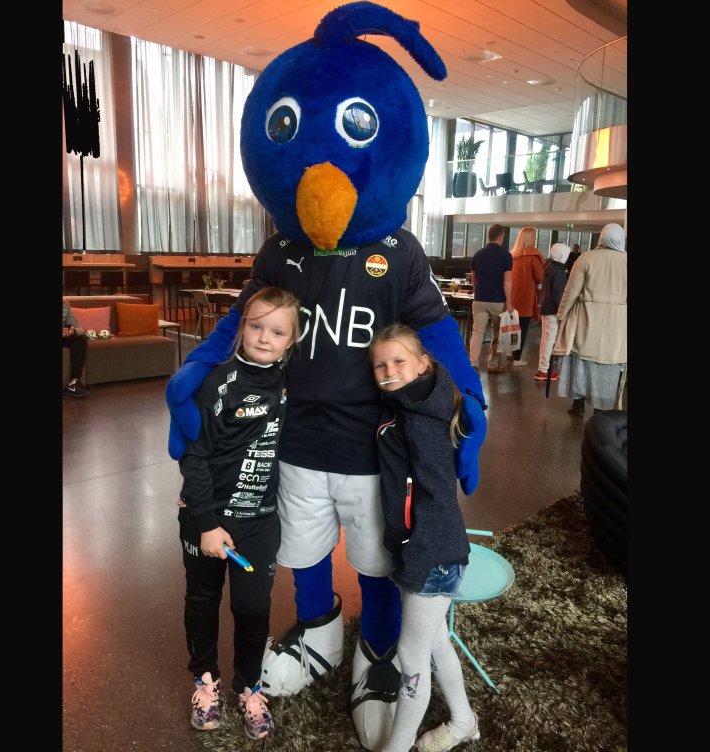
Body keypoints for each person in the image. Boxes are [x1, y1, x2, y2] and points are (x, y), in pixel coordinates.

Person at [165, 7, 488, 750]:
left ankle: (377, 651)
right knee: (303, 551)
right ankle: (319, 633)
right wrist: (197, 367)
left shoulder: (399, 253)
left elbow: (437, 333)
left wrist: (467, 402)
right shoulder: (280, 251)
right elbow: (246, 319)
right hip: (294, 442)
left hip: (373, 449)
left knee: (377, 558)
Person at [179, 287, 302, 741]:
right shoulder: (218, 382)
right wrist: (207, 523)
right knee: (202, 600)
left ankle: (249, 687)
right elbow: (194, 457)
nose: (265, 337)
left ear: (292, 340)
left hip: (259, 522)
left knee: (252, 608)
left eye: (278, 331)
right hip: (206, 520)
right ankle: (204, 681)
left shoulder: (291, 381)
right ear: (241, 327)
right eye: (256, 326)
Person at [369, 324, 480, 752]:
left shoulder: (423, 423)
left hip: (432, 555)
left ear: (422, 364)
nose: (389, 371)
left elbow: (436, 498)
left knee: (411, 659)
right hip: (421, 549)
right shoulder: (406, 405)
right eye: (380, 365)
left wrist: (417, 557)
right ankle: (464, 721)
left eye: (398, 361)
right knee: (435, 642)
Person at [553, 223, 627, 416]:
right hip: (616, 325)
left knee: (582, 363)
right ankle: (601, 410)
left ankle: (578, 404)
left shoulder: (586, 258)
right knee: (607, 366)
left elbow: (570, 292)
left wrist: (561, 315)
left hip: (586, 321)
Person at [469, 224, 514, 372]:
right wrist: (509, 302)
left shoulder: (478, 254)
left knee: (477, 332)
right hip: (498, 301)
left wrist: (476, 294)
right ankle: (493, 364)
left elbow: (474, 278)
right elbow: (507, 281)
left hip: (480, 299)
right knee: (497, 332)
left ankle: (473, 364)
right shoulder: (506, 256)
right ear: (501, 237)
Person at [508, 226, 544, 366]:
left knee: (513, 327)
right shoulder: (533, 257)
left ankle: (511, 352)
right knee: (522, 328)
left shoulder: (513, 256)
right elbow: (540, 277)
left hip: (512, 296)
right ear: (531, 238)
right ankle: (517, 358)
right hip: (526, 297)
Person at [535, 242, 571, 381]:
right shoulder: (558, 271)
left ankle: (542, 368)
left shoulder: (549, 267)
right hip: (552, 309)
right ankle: (543, 370)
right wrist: (561, 312)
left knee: (546, 339)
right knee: (549, 340)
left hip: (546, 307)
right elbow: (558, 294)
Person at [62, 300, 89, 398]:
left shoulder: (64, 305)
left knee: (80, 338)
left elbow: (80, 328)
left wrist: (72, 332)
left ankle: (73, 383)